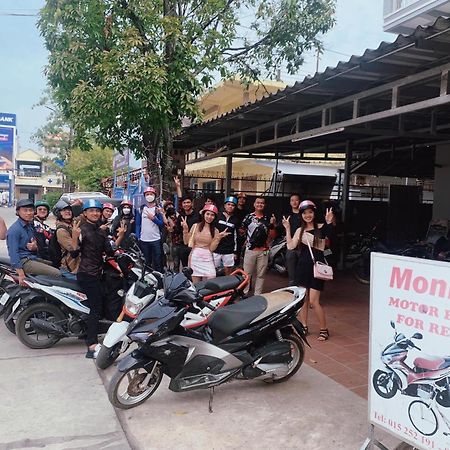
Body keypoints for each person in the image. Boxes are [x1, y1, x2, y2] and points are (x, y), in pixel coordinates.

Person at [76, 199, 125, 358]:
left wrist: (120, 238)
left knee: (102, 303)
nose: (95, 213)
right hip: (88, 274)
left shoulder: (101, 230)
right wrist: (74, 237)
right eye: (91, 211)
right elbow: (74, 253)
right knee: (95, 308)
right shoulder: (82, 230)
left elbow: (109, 250)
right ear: (85, 213)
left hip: (98, 273)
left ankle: (89, 332)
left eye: (97, 210)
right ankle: (91, 346)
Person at [282, 200, 335, 341]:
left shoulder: (321, 227)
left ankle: (324, 329)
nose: (308, 215)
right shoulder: (299, 231)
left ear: (314, 213)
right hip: (303, 267)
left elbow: (325, 245)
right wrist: (287, 228)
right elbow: (290, 246)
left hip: (316, 268)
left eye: (310, 212)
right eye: (304, 213)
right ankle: (304, 326)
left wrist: (329, 222)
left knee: (313, 301)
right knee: (303, 300)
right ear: (301, 215)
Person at [7, 198, 61, 285]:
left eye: (31, 210)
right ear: (18, 212)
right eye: (25, 210)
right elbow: (13, 254)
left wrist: (35, 246)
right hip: (23, 261)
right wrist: (21, 274)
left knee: (55, 265)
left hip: (32, 257)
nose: (28, 213)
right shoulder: (15, 230)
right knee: (57, 273)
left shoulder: (29, 225)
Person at [181, 204, 229, 282]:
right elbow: (186, 242)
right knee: (196, 286)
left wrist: (218, 238)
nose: (209, 217)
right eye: (207, 214)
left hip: (208, 258)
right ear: (203, 214)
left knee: (211, 279)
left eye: (212, 215)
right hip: (195, 258)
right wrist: (185, 230)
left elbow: (212, 248)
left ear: (215, 217)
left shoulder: (216, 231)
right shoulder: (195, 226)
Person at [241, 197, 276, 295]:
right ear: (254, 204)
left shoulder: (268, 218)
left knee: (261, 275)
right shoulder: (248, 217)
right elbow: (242, 231)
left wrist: (272, 225)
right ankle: (244, 293)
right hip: (250, 250)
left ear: (264, 205)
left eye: (262, 203)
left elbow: (273, 235)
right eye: (258, 203)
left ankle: (258, 295)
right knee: (247, 274)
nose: (260, 204)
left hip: (263, 251)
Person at [135, 187, 164, 272]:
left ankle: (160, 281)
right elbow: (137, 224)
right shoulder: (141, 209)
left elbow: (161, 224)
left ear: (155, 196)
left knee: (158, 262)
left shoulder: (158, 208)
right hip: (144, 240)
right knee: (146, 262)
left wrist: (154, 219)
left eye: (151, 194)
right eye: (147, 194)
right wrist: (138, 236)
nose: (149, 196)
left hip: (156, 239)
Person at [172, 195, 200, 272]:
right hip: (183, 245)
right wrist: (173, 228)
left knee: (195, 268)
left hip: (195, 245)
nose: (186, 204)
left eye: (188, 202)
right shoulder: (181, 216)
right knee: (185, 268)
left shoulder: (198, 215)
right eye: (184, 203)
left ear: (191, 203)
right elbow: (177, 231)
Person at [213, 196, 240, 275]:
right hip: (216, 249)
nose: (230, 207)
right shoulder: (217, 216)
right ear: (225, 205)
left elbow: (236, 236)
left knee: (228, 272)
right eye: (228, 204)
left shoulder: (236, 220)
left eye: (233, 205)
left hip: (229, 250)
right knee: (212, 271)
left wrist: (235, 252)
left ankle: (227, 287)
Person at [53, 200, 81, 276]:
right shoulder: (61, 230)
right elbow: (73, 250)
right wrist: (75, 236)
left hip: (78, 265)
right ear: (58, 213)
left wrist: (81, 204)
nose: (68, 212)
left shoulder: (71, 223)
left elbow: (84, 216)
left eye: (69, 210)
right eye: (64, 210)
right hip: (70, 269)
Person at [285, 194, 302, 286]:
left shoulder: (304, 215)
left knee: (303, 272)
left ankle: (303, 295)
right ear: (290, 202)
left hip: (302, 247)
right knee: (291, 274)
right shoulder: (287, 216)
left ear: (300, 201)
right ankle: (293, 292)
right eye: (292, 200)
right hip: (291, 246)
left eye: (296, 200)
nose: (294, 202)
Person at [235, 192, 249, 264]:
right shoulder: (233, 210)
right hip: (233, 235)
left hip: (243, 235)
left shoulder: (247, 212)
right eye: (240, 198)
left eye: (244, 199)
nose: (242, 200)